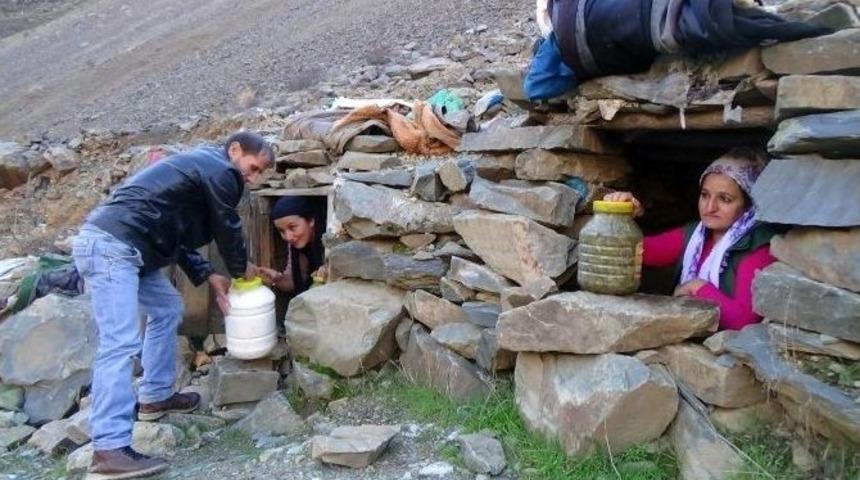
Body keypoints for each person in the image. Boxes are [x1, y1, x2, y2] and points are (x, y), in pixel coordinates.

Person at [71, 131, 273, 479]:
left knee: (166, 308)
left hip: (132, 249)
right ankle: (108, 449)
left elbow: (174, 238)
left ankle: (155, 396)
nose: (252, 180)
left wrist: (210, 273)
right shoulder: (219, 168)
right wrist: (241, 272)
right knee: (120, 342)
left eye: (259, 175)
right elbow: (228, 227)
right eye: (253, 168)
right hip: (111, 247)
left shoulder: (197, 172)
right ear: (235, 150)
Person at [604, 147, 776, 331]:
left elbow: (742, 321)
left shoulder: (758, 248)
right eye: (705, 195)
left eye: (725, 199)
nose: (710, 207)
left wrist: (697, 287)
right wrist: (622, 215)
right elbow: (634, 251)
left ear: (748, 205)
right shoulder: (695, 235)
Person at [257, 196, 326, 296]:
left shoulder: (331, 240)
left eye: (292, 227)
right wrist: (276, 278)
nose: (288, 237)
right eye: (281, 231)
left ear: (311, 221)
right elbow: (294, 281)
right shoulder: (295, 244)